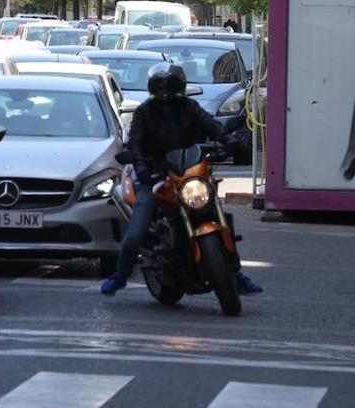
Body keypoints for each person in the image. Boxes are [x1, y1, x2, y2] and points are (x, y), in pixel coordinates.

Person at [100, 62, 262, 296]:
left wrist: (228, 139)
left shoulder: (190, 107)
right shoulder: (145, 112)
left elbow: (211, 124)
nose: (166, 94)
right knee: (136, 231)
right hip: (156, 174)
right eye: (160, 88)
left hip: (187, 171)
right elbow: (135, 140)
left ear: (181, 87)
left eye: (172, 88)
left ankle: (236, 275)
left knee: (219, 213)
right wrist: (140, 162)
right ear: (152, 90)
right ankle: (120, 275)